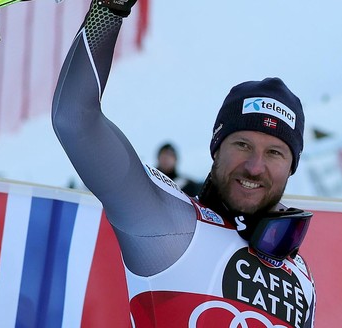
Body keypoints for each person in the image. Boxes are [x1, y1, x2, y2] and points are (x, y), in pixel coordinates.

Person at [51, 0, 316, 327]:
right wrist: (108, 9)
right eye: (242, 145)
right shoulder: (167, 223)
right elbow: (74, 120)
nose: (255, 166)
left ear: (291, 167)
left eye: (275, 153)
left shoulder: (300, 274)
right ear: (216, 149)